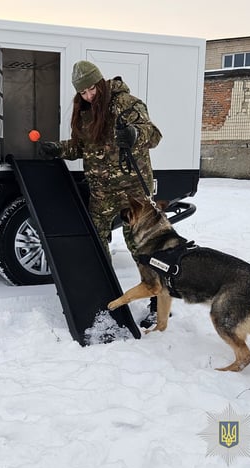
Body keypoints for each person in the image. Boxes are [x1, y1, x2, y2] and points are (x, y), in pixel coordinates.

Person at [39, 60, 165, 328]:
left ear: (100, 82)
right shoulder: (84, 112)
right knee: (96, 242)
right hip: (101, 192)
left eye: (91, 89)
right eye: (82, 92)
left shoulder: (126, 103)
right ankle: (105, 294)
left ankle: (157, 301)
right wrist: (57, 149)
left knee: (141, 245)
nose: (88, 96)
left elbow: (153, 135)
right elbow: (79, 147)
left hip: (132, 191)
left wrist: (133, 134)